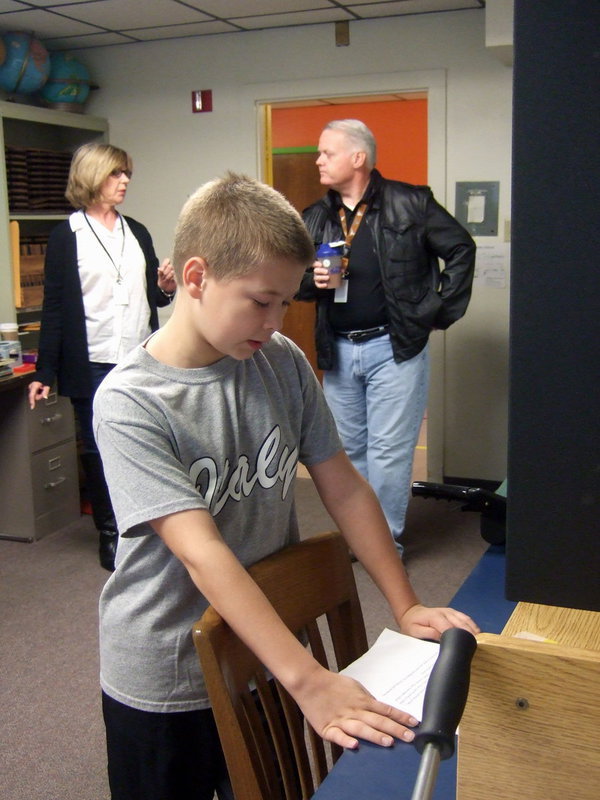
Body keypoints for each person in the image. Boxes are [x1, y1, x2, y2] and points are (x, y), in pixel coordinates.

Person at [92, 172, 479, 800]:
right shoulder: (131, 401)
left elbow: (344, 488)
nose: (275, 322)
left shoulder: (278, 361)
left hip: (264, 654)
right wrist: (309, 680)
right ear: (196, 278)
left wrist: (405, 605)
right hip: (168, 674)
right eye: (260, 301)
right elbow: (202, 551)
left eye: (285, 304)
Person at [297, 119, 476, 555]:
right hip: (338, 351)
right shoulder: (315, 216)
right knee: (346, 453)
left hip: (394, 349)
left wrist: (437, 312)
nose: (318, 160)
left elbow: (460, 248)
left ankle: (383, 545)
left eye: (327, 152)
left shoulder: (410, 203)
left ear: (358, 157)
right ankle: (361, 538)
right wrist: (310, 280)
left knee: (389, 452)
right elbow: (289, 279)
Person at [28, 142, 176, 572]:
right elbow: (55, 307)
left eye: (126, 173)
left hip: (139, 357)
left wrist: (165, 287)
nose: (125, 181)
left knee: (148, 443)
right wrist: (44, 370)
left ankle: (149, 526)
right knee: (98, 449)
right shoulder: (67, 235)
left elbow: (153, 296)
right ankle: (112, 532)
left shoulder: (137, 232)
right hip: (90, 360)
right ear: (92, 177)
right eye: (115, 173)